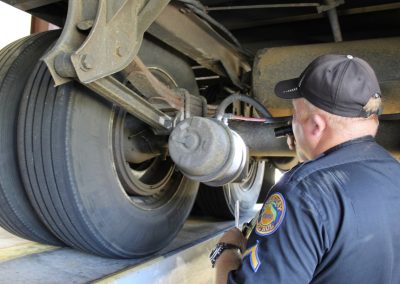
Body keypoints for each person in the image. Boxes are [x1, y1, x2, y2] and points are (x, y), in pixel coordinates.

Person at [212, 54, 400, 283]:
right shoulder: (394, 173)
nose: (292, 122)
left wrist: (226, 251)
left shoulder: (302, 195)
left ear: (316, 125)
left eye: (294, 113)